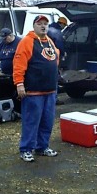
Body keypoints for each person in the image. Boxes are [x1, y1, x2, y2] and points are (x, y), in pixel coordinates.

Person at [13, 15, 60, 162]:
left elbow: (55, 58)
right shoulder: (27, 42)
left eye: (45, 24)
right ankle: (26, 149)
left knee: (47, 121)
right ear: (34, 26)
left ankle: (42, 147)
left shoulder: (50, 41)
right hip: (34, 92)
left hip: (50, 91)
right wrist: (19, 84)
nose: (43, 26)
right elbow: (19, 64)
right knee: (31, 121)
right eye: (40, 24)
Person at [0, 28, 22, 113]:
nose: (4, 40)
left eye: (5, 38)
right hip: (5, 74)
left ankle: (18, 111)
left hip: (16, 74)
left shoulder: (20, 42)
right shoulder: (2, 43)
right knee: (5, 92)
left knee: (17, 95)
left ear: (10, 35)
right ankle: (6, 111)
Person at [47, 16, 68, 106]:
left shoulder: (48, 29)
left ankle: (47, 97)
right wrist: (63, 53)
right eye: (64, 25)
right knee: (54, 78)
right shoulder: (56, 32)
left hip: (45, 56)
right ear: (62, 24)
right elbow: (59, 44)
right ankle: (54, 99)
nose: (64, 27)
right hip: (53, 57)